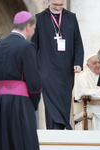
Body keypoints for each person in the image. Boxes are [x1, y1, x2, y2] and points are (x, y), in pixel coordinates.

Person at [31, 0, 84, 130]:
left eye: (61, 5)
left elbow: (77, 42)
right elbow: (34, 45)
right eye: (55, 5)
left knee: (64, 98)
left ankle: (59, 127)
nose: (58, 7)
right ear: (49, 2)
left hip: (66, 67)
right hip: (46, 66)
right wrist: (34, 66)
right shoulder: (39, 18)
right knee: (50, 98)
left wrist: (78, 62)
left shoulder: (71, 17)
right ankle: (58, 127)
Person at [0, 11, 41, 150]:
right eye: (34, 28)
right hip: (19, 104)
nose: (33, 32)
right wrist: (33, 102)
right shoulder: (27, 46)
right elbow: (34, 81)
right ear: (28, 26)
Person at [75, 55, 100, 130]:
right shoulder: (82, 77)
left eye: (99, 62)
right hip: (93, 106)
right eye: (95, 63)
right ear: (88, 66)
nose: (98, 65)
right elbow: (83, 92)